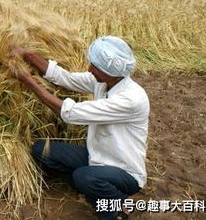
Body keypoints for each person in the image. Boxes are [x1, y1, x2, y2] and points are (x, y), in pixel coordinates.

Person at [10, 36, 149, 220]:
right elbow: (63, 78)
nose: (89, 69)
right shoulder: (104, 82)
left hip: (124, 172)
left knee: (85, 177)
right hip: (96, 157)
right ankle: (92, 189)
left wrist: (28, 81)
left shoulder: (131, 100)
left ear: (111, 72)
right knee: (41, 150)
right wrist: (26, 54)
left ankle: (116, 208)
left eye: (95, 67)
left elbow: (70, 112)